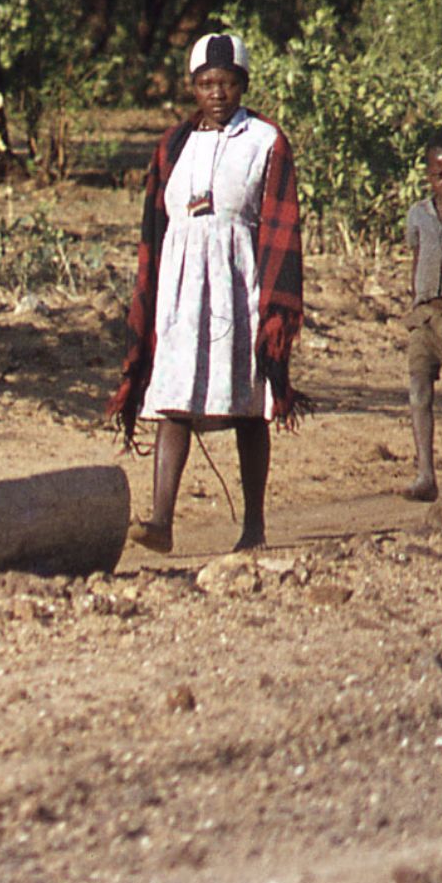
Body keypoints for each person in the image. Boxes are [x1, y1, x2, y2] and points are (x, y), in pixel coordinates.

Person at [109, 32, 306, 553]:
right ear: (192, 87)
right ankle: (161, 521)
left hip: (240, 284)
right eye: (205, 83)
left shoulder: (265, 140)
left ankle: (254, 527)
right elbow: (156, 225)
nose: (216, 92)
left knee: (248, 403)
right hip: (181, 287)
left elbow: (281, 225)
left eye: (227, 82)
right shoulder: (174, 145)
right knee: (173, 395)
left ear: (242, 84)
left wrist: (272, 307)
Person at [401, 131, 442, 501]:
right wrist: (415, 304)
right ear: (429, 177)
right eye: (440, 175)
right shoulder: (418, 215)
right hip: (424, 318)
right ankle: (425, 475)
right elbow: (417, 259)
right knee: (419, 390)